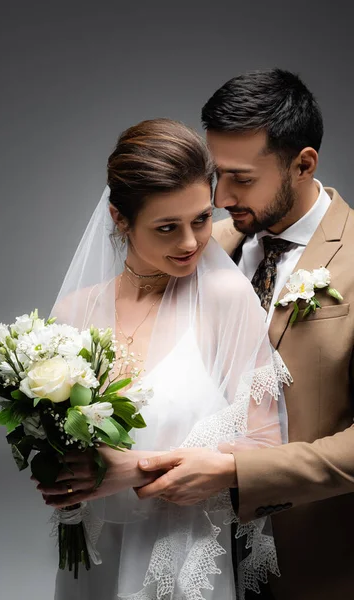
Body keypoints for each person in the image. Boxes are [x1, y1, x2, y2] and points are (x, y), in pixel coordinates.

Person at [36, 118, 292, 600]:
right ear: (119, 219)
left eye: (200, 219)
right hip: (96, 555)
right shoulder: (76, 310)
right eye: (167, 227)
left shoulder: (225, 298)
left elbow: (266, 447)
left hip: (183, 556)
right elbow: (52, 442)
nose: (192, 243)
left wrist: (137, 470)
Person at [136, 70, 354, 600]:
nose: (220, 197)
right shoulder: (207, 246)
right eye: (216, 175)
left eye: (241, 178)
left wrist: (236, 471)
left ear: (303, 164)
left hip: (313, 557)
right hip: (196, 551)